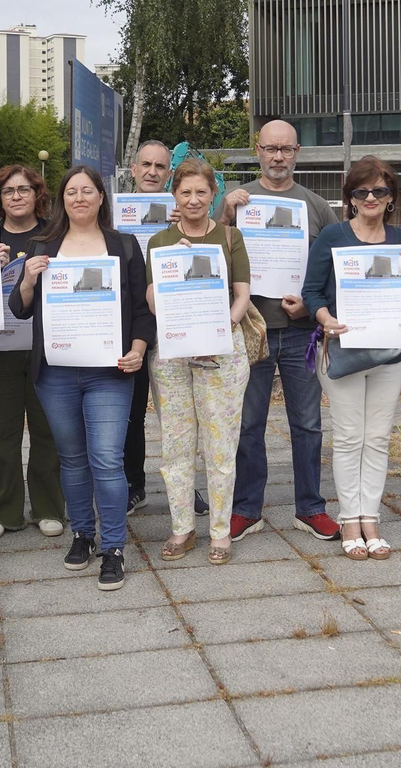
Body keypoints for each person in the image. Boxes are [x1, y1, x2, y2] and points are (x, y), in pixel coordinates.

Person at [9, 165, 154, 590]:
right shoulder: (43, 246)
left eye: (87, 191)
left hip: (110, 372)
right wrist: (29, 280)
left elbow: (143, 312)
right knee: (71, 459)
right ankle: (82, 534)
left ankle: (112, 547)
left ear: (101, 197)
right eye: (71, 191)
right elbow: (20, 309)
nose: (79, 198)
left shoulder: (124, 246)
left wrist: (138, 351)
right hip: (55, 373)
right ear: (61, 199)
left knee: (107, 459)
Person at [220, 120, 341, 544]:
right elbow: (211, 256)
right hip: (251, 330)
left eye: (285, 149)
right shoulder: (237, 201)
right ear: (257, 150)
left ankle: (310, 508)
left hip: (299, 331)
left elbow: (333, 271)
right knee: (248, 424)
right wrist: (225, 212)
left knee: (307, 423)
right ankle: (246, 508)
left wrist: (313, 304)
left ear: (297, 152)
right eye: (270, 149)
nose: (277, 157)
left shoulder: (316, 206)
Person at [304, 157, 401, 560]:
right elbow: (311, 292)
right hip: (342, 350)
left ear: (391, 197)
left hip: (389, 353)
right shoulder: (333, 236)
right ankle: (348, 517)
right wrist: (325, 318)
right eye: (361, 191)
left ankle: (370, 517)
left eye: (379, 191)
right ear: (350, 197)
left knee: (377, 437)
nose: (370, 197)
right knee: (350, 436)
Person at [145, 159, 252, 565]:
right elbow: (152, 298)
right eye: (185, 192)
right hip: (173, 352)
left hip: (221, 349)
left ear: (213, 196)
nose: (193, 199)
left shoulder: (229, 237)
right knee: (175, 443)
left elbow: (242, 294)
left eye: (201, 192)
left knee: (220, 444)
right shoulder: (159, 242)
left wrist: (220, 328)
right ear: (175, 195)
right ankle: (182, 527)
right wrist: (175, 263)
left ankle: (220, 531)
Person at [0, 164, 65, 540]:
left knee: (48, 432)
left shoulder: (54, 237)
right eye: (9, 190)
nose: (16, 196)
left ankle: (48, 507)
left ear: (37, 195)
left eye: (24, 189)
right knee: (0, 435)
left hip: (46, 350)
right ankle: (1, 511)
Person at [123, 139, 211, 515]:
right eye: (146, 165)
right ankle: (133, 485)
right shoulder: (112, 211)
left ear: (168, 174)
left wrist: (184, 232)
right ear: (133, 168)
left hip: (176, 321)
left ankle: (184, 488)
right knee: (131, 414)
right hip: (131, 326)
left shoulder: (185, 212)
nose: (152, 172)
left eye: (160, 167)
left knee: (179, 415)